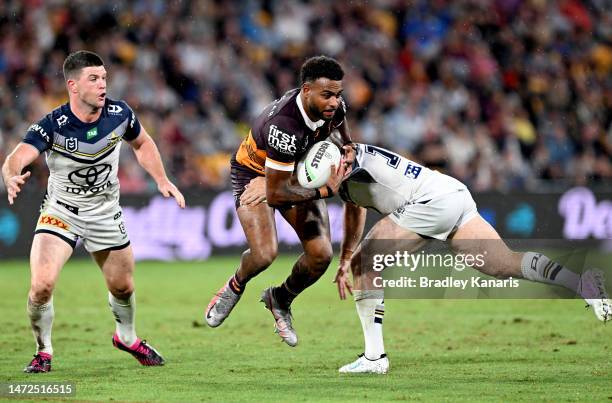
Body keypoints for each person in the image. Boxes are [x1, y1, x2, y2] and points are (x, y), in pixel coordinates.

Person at [330, 143, 611, 374]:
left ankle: (374, 357)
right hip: (451, 192)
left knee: (364, 263)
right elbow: (354, 205)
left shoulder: (348, 162)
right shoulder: (347, 160)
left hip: (429, 202)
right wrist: (344, 256)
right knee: (503, 264)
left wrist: (346, 259)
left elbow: (341, 178)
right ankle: (581, 282)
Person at [1, 50, 185, 373]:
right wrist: (10, 173)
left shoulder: (119, 114)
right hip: (62, 210)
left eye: (104, 78)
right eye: (94, 79)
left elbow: (142, 144)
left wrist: (161, 178)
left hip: (104, 211)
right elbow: (18, 155)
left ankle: (126, 338)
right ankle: (43, 351)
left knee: (123, 287)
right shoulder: (53, 125)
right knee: (41, 284)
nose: (103, 85)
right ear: (73, 85)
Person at [204, 56, 351, 347]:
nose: (334, 102)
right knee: (264, 254)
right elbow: (276, 193)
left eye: (337, 94)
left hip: (290, 170)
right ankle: (235, 285)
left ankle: (280, 298)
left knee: (320, 255)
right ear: (306, 91)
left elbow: (343, 136)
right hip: (254, 174)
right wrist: (324, 192)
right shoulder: (285, 125)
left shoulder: (334, 108)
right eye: (327, 95)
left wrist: (348, 149)